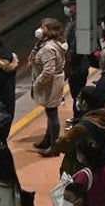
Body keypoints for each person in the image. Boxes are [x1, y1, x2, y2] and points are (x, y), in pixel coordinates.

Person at [30, 17, 68, 153]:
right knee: (50, 112)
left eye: (44, 27)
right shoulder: (50, 43)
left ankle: (54, 147)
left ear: (50, 31)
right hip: (53, 82)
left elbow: (48, 71)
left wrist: (37, 83)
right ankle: (48, 140)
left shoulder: (48, 48)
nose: (40, 29)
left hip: (51, 84)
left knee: (52, 114)